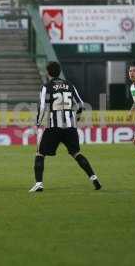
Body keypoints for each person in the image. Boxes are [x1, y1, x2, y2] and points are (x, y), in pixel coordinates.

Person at [29, 61, 102, 192]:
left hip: (54, 127)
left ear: (48, 72)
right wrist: (77, 119)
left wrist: (37, 124)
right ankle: (94, 178)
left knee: (40, 153)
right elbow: (80, 105)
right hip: (70, 126)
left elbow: (42, 107)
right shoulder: (70, 85)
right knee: (76, 153)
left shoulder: (47, 87)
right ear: (59, 71)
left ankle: (39, 184)